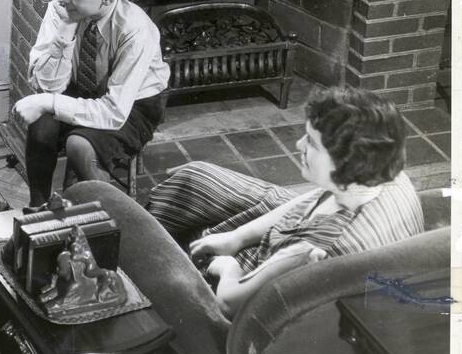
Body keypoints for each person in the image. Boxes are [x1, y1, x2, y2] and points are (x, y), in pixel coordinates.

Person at [145, 86, 425, 317]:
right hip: (289, 231)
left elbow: (230, 303)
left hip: (261, 277)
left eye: (312, 143)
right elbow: (317, 196)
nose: (299, 145)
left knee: (169, 252)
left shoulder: (314, 250)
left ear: (347, 163)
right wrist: (236, 236)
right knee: (197, 177)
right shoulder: (383, 173)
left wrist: (228, 266)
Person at [11, 0, 169, 207]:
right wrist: (64, 33)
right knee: (43, 121)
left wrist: (48, 102)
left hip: (134, 104)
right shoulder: (63, 9)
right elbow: (47, 86)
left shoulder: (136, 30)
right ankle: (38, 208)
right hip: (83, 86)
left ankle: (112, 219)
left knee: (79, 146)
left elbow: (113, 111)